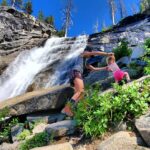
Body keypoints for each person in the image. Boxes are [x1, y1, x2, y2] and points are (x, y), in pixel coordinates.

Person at [61, 50, 114, 117]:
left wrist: (105, 68)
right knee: (80, 91)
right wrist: (107, 54)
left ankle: (74, 109)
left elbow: (94, 69)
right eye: (90, 54)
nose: (90, 56)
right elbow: (94, 52)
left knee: (81, 93)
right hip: (76, 72)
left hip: (75, 74)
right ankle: (67, 109)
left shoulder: (85, 63)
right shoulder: (82, 54)